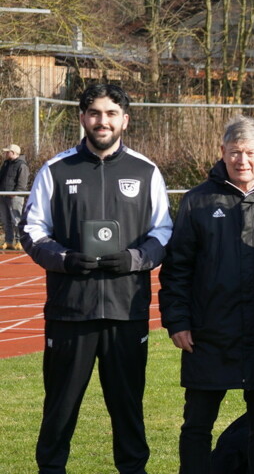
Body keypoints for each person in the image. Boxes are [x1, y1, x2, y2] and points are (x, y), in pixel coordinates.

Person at [19, 83, 173, 474]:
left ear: (125, 119)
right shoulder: (55, 169)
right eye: (94, 113)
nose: (102, 121)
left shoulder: (146, 170)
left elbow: (164, 232)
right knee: (59, 410)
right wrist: (67, 260)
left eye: (110, 114)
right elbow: (33, 230)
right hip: (70, 312)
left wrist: (136, 260)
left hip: (127, 313)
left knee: (128, 411)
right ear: (82, 117)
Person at [159, 115, 254, 474]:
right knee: (196, 426)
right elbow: (177, 269)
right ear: (222, 152)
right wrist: (177, 321)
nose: (242, 160)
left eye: (250, 152)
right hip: (209, 335)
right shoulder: (196, 201)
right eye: (234, 152)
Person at [1, 143, 30, 250]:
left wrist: (15, 193)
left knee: (16, 220)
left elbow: (22, 183)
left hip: (15, 197)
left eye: (7, 151)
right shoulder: (6, 163)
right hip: (3, 196)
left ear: (13, 153)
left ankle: (19, 241)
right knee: (6, 220)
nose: (5, 153)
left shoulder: (22, 165)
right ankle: (8, 241)